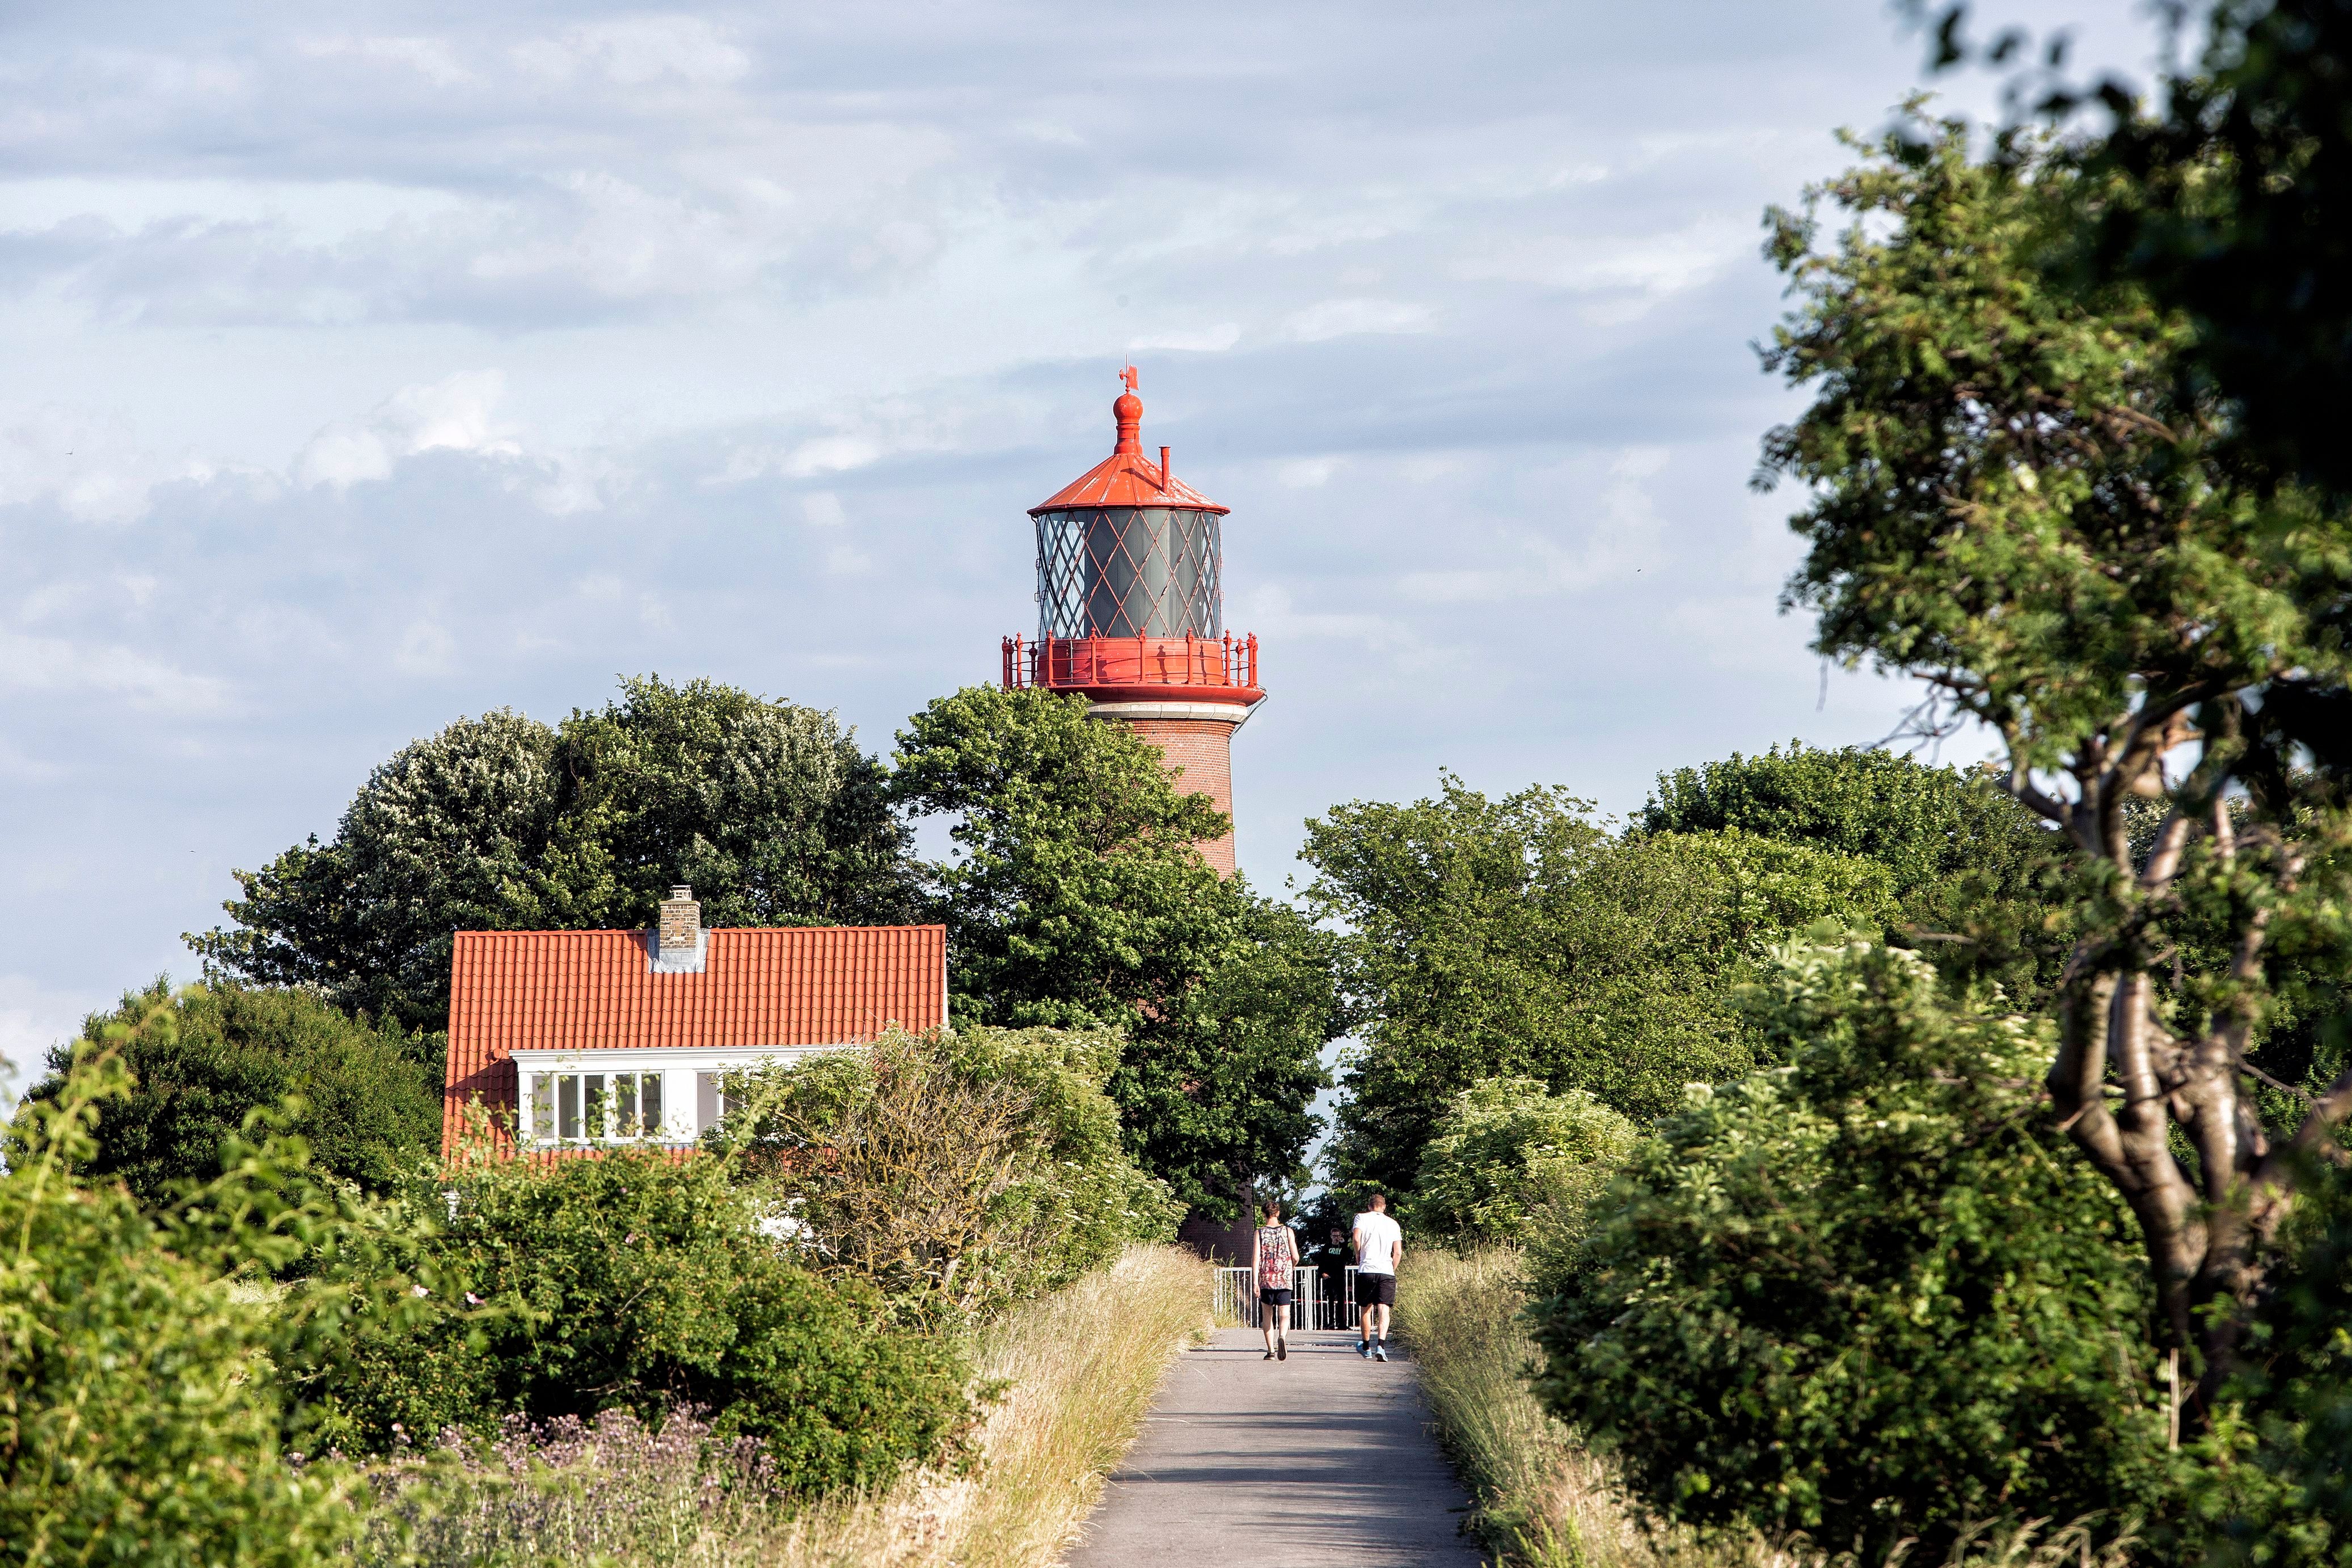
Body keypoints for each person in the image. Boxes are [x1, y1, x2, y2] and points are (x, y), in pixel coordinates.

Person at [1351, 1191, 1403, 1361]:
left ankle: (1366, 1347)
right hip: (1386, 1270)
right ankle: (1381, 1345)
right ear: (1384, 1207)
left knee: (1366, 1308)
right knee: (1384, 1309)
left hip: (1367, 1269)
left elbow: (1357, 1238)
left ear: (1369, 1206)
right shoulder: (1393, 1223)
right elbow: (1398, 1252)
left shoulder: (1361, 1218)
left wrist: (1359, 1255)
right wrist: (1391, 1268)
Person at [1252, 1199, 1299, 1361]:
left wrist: (1255, 1282)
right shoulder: (1288, 1232)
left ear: (1264, 1215)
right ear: (1278, 1213)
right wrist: (1289, 1266)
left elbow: (1256, 1259)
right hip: (1284, 1279)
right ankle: (1283, 1337)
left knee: (1267, 1315)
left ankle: (1271, 1351)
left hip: (1266, 1279)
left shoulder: (1260, 1233)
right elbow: (1295, 1257)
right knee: (1284, 1314)